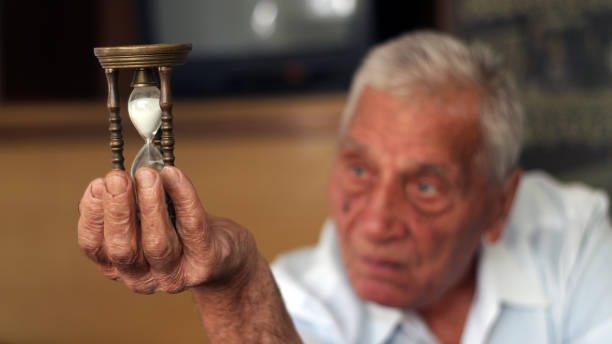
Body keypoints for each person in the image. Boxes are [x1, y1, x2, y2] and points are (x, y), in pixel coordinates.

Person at [77, 31, 612, 343]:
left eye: (425, 187)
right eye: (359, 171)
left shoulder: (573, 234)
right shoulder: (293, 299)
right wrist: (236, 289)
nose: (375, 224)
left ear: (500, 205)